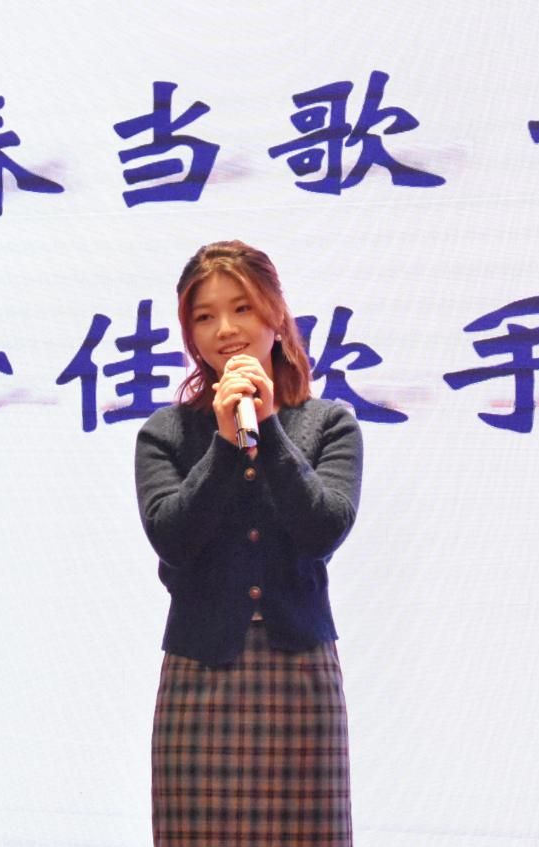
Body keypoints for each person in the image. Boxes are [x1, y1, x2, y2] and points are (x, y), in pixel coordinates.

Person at [134, 240, 363, 846]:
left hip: (300, 675)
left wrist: (266, 427)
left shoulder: (329, 424)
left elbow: (323, 529)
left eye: (242, 308)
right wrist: (224, 441)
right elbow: (173, 539)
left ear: (276, 314)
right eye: (204, 316)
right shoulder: (164, 434)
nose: (226, 329)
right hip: (199, 676)